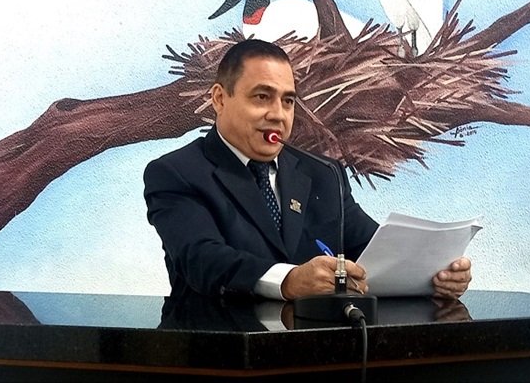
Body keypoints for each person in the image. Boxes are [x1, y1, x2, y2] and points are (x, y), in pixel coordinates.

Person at [143, 39, 472, 301]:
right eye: (262, 97)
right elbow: (201, 260)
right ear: (219, 99)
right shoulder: (176, 173)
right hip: (220, 350)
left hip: (319, 350)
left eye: (288, 101)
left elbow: (374, 252)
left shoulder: (323, 174)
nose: (278, 115)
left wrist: (433, 275)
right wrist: (288, 280)